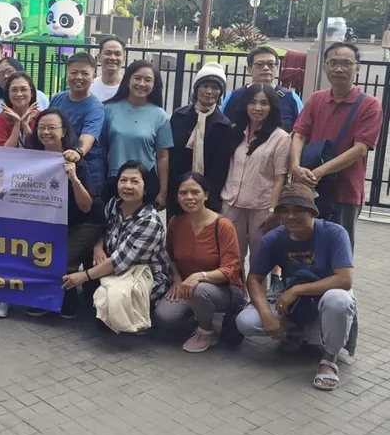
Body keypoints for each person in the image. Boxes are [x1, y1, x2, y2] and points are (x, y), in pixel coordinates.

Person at [236, 183, 356, 391]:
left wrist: (296, 291)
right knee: (245, 321)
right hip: (292, 297)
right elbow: (254, 278)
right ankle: (297, 333)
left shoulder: (334, 233)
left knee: (339, 300)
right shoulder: (274, 238)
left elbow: (344, 280)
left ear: (312, 211)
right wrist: (266, 316)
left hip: (326, 292)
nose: (291, 216)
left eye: (298, 210)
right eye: (285, 210)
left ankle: (329, 360)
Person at [5, 108, 102, 320]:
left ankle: (66, 298)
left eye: (52, 128)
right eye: (41, 127)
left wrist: (74, 179)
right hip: (51, 222)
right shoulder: (33, 160)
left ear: (64, 131)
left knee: (59, 260)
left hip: (83, 223)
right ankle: (44, 298)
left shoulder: (75, 160)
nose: (46, 132)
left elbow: (87, 208)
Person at [290, 42, 382, 248]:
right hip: (309, 190)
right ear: (325, 66)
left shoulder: (370, 105)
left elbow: (360, 149)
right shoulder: (316, 99)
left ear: (357, 67)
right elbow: (299, 134)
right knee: (302, 249)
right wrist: (295, 166)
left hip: (344, 192)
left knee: (337, 252)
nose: (339, 69)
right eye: (333, 63)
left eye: (346, 63)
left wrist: (319, 171)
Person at [62, 161, 171, 332]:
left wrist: (82, 276)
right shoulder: (114, 204)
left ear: (145, 188)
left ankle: (141, 315)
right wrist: (98, 246)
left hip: (143, 274)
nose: (127, 186)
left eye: (135, 181)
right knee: (101, 302)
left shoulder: (149, 220)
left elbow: (119, 261)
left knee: (107, 304)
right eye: (123, 180)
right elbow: (101, 229)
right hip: (118, 269)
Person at [154, 172, 244, 352]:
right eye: (183, 193)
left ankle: (206, 331)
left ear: (206, 195)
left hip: (224, 289)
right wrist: (177, 279)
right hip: (188, 285)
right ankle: (197, 315)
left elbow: (230, 269)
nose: (189, 197)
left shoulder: (223, 225)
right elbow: (170, 256)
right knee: (164, 317)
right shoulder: (176, 222)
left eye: (195, 192)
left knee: (200, 290)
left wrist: (199, 276)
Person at [221, 84, 290, 266]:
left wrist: (273, 210)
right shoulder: (236, 131)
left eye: (264, 103)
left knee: (260, 259)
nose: (257, 108)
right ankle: (236, 294)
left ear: (272, 107)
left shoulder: (280, 138)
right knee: (232, 257)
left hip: (261, 207)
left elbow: (280, 178)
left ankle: (258, 295)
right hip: (232, 203)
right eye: (252, 102)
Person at [101, 60, 172, 207]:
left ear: (154, 86)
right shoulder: (109, 109)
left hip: (144, 182)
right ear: (127, 81)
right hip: (114, 180)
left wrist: (163, 192)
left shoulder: (160, 116)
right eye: (137, 78)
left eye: (148, 80)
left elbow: (163, 157)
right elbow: (102, 147)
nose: (142, 84)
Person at [167, 63, 232, 216]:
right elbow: (170, 155)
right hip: (178, 193)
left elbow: (220, 167)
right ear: (196, 89)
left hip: (207, 198)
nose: (209, 92)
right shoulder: (179, 116)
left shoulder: (223, 125)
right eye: (205, 86)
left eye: (215, 88)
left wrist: (206, 195)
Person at [48, 52, 106, 191]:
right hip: (58, 167)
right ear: (67, 74)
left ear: (93, 76)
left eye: (85, 73)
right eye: (73, 72)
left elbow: (88, 137)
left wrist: (77, 152)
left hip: (86, 170)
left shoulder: (95, 108)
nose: (78, 77)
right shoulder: (57, 98)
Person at [222, 46, 303, 132]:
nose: (266, 68)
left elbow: (301, 133)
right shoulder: (234, 97)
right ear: (249, 69)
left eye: (271, 64)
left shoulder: (291, 98)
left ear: (277, 68)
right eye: (260, 64)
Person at [0, 72, 39, 148]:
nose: (19, 94)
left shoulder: (41, 118)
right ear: (8, 93)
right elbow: (5, 152)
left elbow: (39, 149)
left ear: (31, 92)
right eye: (14, 90)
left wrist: (25, 125)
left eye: (23, 89)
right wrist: (17, 124)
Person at [91, 36, 125, 103]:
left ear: (124, 58)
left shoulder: (129, 87)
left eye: (117, 54)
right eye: (108, 53)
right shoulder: (90, 87)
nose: (112, 58)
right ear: (99, 57)